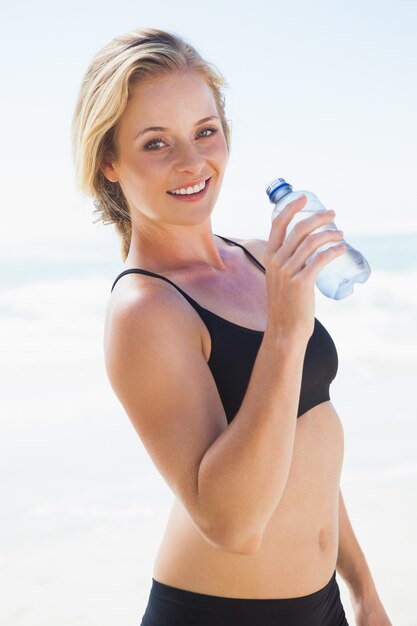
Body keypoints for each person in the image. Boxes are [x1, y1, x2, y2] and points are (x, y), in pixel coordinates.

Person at [71, 27, 392, 626]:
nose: (192, 162)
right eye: (156, 143)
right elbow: (233, 524)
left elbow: (305, 449)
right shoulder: (146, 310)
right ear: (109, 163)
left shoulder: (260, 259)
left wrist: (364, 592)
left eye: (205, 131)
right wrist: (287, 332)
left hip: (324, 604)